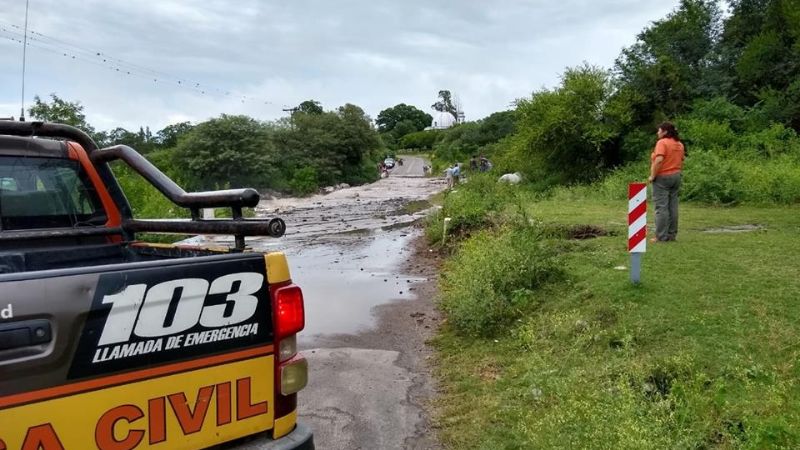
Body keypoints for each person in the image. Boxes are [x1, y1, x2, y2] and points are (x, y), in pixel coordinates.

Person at [648, 121, 685, 242]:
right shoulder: (679, 144)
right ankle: (671, 235)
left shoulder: (662, 142)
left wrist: (652, 176)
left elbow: (659, 160)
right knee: (673, 206)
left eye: (659, 130)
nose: (657, 133)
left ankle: (661, 236)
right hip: (676, 176)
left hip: (663, 177)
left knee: (661, 207)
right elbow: (681, 159)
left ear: (665, 132)